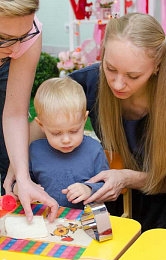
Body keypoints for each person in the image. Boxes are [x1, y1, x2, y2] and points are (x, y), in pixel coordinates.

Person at [68, 12, 166, 234]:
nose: (118, 83)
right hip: (112, 194)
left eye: (133, 76)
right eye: (110, 68)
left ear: (158, 66)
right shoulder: (89, 82)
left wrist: (126, 178)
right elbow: (42, 123)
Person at [0, 0, 58, 221]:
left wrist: (23, 177)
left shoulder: (26, 36)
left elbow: (14, 112)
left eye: (22, 36)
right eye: (4, 38)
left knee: (8, 161)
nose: (16, 51)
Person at [11, 77, 109, 209]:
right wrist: (18, 188)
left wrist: (89, 189)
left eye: (74, 131)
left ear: (84, 119)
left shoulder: (94, 150)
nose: (66, 140)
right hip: (46, 220)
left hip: (86, 222)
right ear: (41, 125)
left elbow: (105, 185)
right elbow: (21, 182)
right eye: (56, 133)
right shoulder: (34, 151)